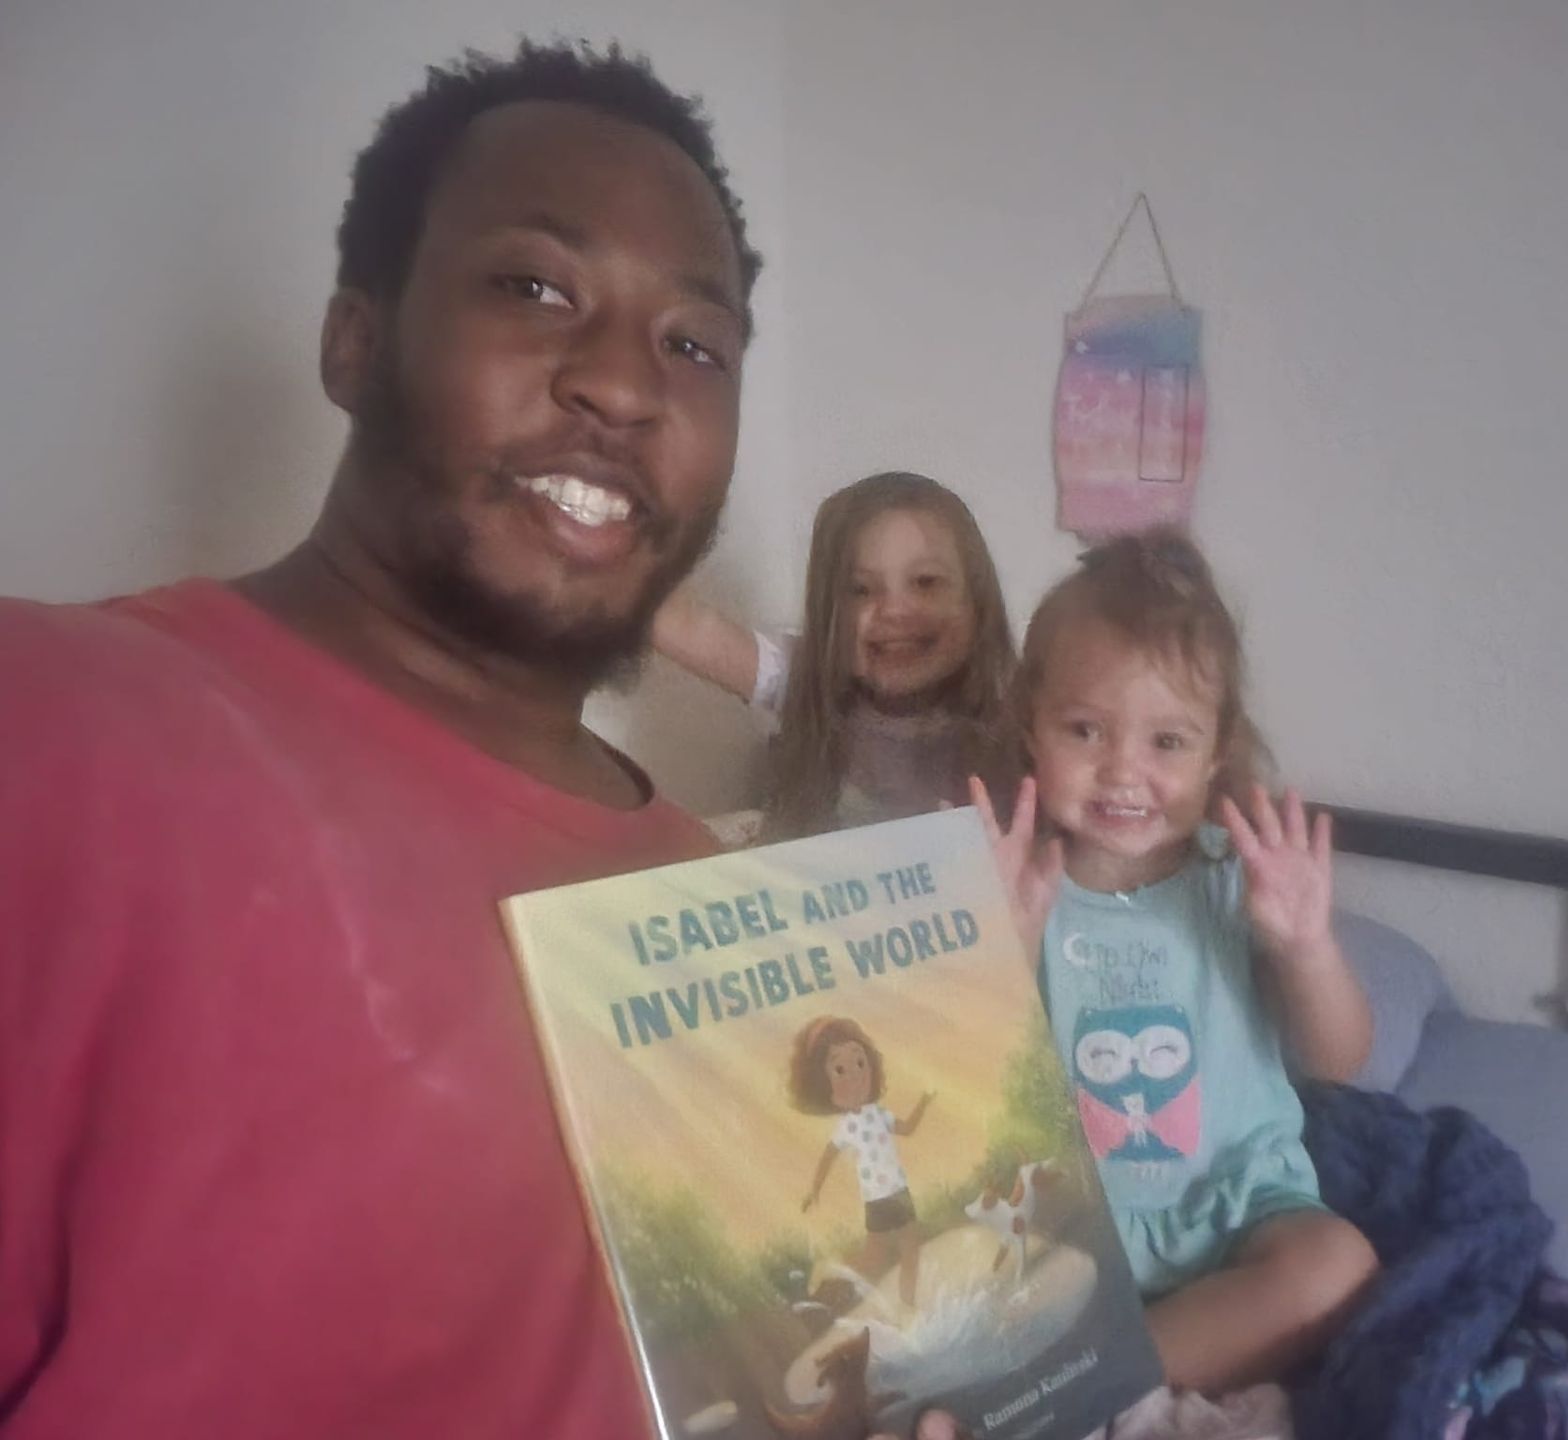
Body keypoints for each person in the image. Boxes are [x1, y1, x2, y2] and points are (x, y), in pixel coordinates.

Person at [0, 38, 812, 1440]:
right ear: (355, 339)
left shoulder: (719, 913)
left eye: (696, 343)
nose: (624, 388)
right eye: (538, 287)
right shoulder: (49, 722)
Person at [973, 531, 1380, 1394]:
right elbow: (969, 1087)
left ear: (1216, 749)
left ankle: (1080, 1392)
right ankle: (1096, 1378)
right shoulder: (1014, 887)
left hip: (1239, 1215)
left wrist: (1307, 946)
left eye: (1167, 741)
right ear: (1030, 727)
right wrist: (997, 950)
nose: (1123, 769)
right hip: (1067, 1235)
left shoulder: (1236, 882)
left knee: (1339, 1263)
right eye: (1086, 729)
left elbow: (1342, 1059)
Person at [651, 471, 1022, 838]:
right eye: (860, 590)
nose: (894, 610)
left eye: (926, 582)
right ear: (829, 612)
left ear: (977, 600)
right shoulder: (805, 680)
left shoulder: (1019, 709)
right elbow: (687, 627)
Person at [790, 1016, 936, 1308]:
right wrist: (814, 1190)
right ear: (823, 1084)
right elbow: (828, 1157)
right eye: (840, 1069)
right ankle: (830, 1276)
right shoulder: (847, 1126)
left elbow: (907, 1129)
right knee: (874, 1258)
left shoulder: (877, 1113)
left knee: (911, 1249)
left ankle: (910, 1306)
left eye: (860, 1063)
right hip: (878, 1199)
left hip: (899, 1192)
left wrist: (923, 1102)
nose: (855, 1075)